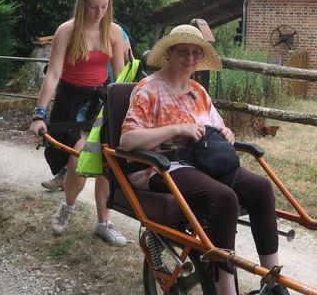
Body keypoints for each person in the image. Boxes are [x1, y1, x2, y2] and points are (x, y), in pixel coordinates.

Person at [121, 24, 289, 295]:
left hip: (201, 163)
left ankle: (273, 282)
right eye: (183, 52)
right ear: (169, 53)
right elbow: (127, 141)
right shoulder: (148, 89)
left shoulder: (198, 91)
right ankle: (226, 290)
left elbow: (216, 128)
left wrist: (226, 133)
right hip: (161, 165)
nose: (190, 59)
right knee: (224, 198)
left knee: (261, 188)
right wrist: (177, 129)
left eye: (195, 53)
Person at [29, 0, 127, 247]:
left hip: (102, 99)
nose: (99, 13)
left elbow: (119, 77)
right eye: (94, 7)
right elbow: (54, 74)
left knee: (107, 160)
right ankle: (68, 206)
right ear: (82, 4)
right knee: (80, 159)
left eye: (104, 6)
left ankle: (103, 222)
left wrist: (127, 110)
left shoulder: (115, 32)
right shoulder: (67, 31)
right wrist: (39, 113)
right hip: (71, 101)